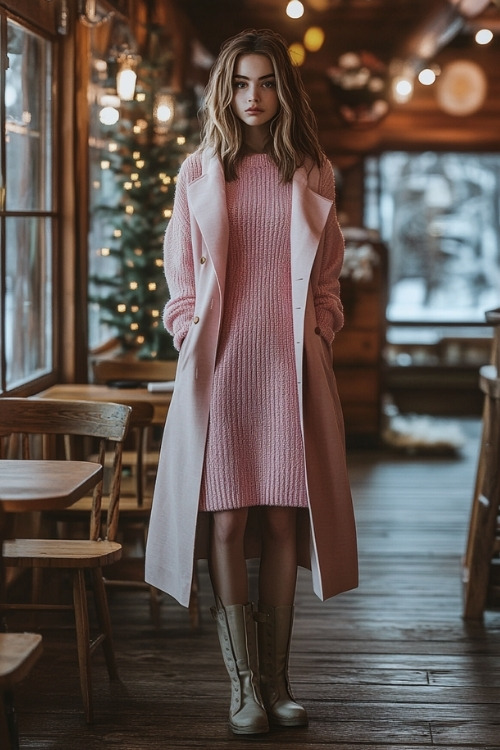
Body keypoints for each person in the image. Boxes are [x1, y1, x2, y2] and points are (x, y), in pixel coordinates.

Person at [145, 28, 358, 737]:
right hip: (225, 368)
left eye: (266, 82)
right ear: (224, 91)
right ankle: (243, 690)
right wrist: (188, 334)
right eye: (241, 83)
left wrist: (319, 336)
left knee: (282, 519)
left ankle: (278, 682)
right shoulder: (199, 172)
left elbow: (327, 282)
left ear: (283, 90)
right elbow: (180, 281)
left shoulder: (315, 171)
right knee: (230, 519)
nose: (254, 97)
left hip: (289, 372)